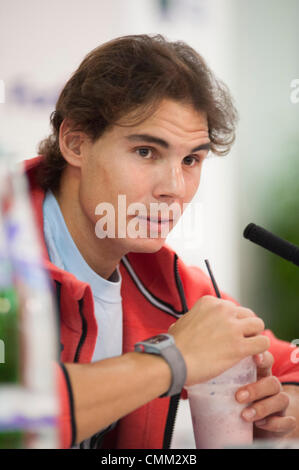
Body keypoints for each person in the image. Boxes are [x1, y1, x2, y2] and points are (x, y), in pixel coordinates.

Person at [23, 34, 299, 449]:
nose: (174, 188)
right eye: (147, 152)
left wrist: (283, 405)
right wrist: (172, 360)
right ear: (75, 142)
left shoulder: (165, 283)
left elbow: (288, 365)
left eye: (191, 160)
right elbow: (16, 414)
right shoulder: (12, 254)